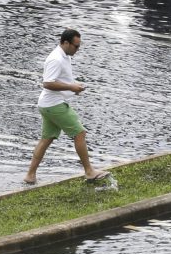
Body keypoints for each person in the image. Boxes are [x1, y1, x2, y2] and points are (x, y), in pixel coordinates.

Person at [24, 29, 109, 185]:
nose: (77, 49)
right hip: (54, 105)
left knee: (46, 139)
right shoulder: (56, 59)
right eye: (75, 46)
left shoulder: (65, 56)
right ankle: (89, 172)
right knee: (80, 133)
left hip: (47, 105)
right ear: (65, 43)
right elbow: (48, 83)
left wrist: (74, 86)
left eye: (78, 46)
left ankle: (30, 175)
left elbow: (59, 80)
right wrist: (71, 88)